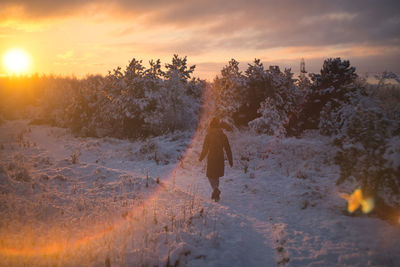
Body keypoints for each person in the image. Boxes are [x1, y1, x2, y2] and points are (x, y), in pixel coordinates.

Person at [199, 117, 233, 202]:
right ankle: (216, 190)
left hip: (211, 157)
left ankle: (215, 189)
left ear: (211, 125)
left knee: (210, 175)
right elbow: (228, 148)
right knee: (216, 175)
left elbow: (205, 148)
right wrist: (230, 160)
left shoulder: (208, 135)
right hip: (220, 157)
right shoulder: (223, 135)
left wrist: (201, 158)